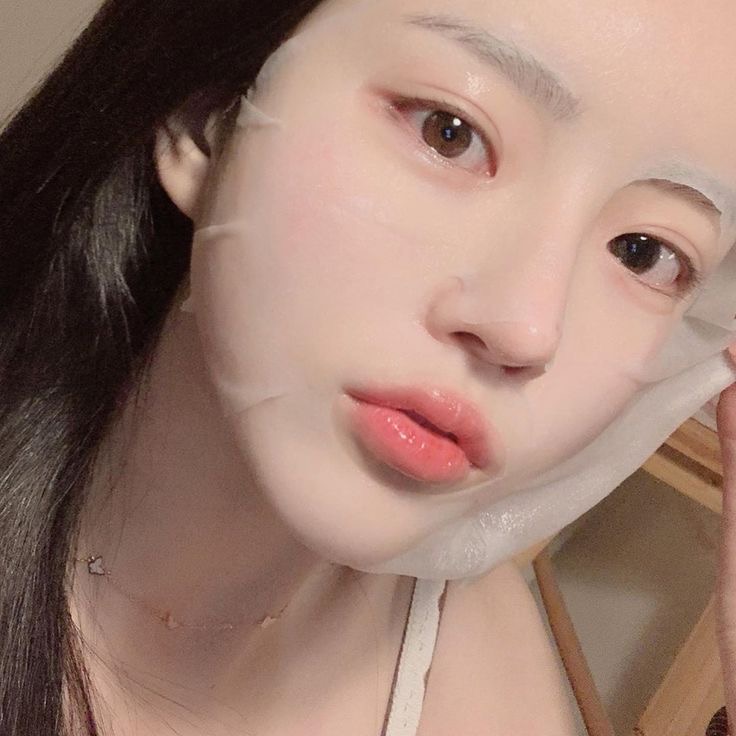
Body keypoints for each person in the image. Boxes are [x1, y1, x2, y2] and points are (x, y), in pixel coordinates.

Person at [2, 0, 736, 734]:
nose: (526, 329)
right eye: (449, 132)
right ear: (209, 116)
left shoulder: (490, 684)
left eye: (644, 253)